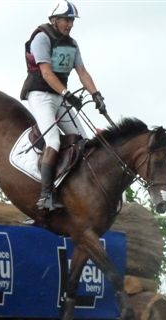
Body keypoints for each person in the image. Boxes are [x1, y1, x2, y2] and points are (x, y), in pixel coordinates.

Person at [20, 1, 107, 211]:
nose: (70, 24)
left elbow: (82, 72)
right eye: (67, 20)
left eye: (72, 21)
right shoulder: (41, 38)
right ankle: (46, 195)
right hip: (41, 95)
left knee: (84, 142)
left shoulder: (72, 44)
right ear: (54, 20)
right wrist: (67, 93)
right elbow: (47, 73)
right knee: (53, 141)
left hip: (59, 96)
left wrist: (96, 95)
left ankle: (78, 190)